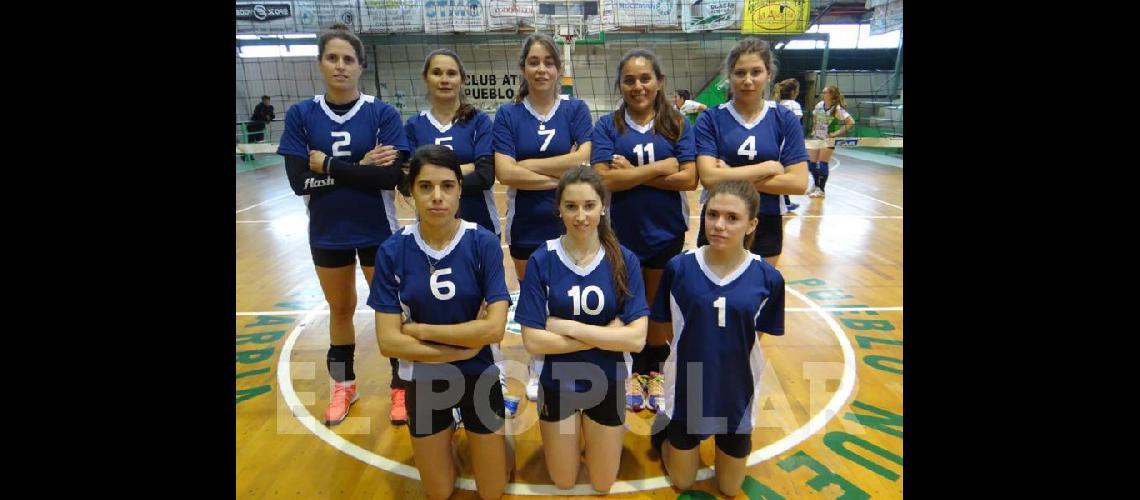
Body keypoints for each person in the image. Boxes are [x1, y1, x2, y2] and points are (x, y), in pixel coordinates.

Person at [276, 23, 411, 426]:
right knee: (341, 309)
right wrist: (359, 167)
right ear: (320, 63)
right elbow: (300, 180)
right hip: (328, 231)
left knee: (390, 309)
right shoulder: (302, 114)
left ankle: (401, 387)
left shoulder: (381, 113)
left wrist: (330, 166)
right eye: (332, 58)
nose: (340, 66)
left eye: (348, 59)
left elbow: (388, 178)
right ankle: (344, 386)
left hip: (376, 228)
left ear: (360, 66)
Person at [370, 145, 513, 500]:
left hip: (479, 373)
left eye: (447, 186)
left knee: (493, 491)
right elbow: (389, 342)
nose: (437, 197)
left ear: (460, 189)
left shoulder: (482, 242)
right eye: (426, 187)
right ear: (411, 191)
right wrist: (464, 346)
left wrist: (419, 330)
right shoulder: (392, 250)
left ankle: (495, 438)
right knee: (438, 491)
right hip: (426, 379)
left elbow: (494, 330)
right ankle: (449, 432)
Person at [649, 180, 786, 497]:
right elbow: (667, 328)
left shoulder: (768, 278)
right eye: (713, 215)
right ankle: (664, 428)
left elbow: (756, 337)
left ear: (752, 224)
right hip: (689, 384)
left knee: (729, 487)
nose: (719, 225)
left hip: (737, 387)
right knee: (683, 482)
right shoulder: (679, 268)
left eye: (732, 218)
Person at [516, 166, 649, 492]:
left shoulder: (623, 259)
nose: (580, 216)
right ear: (558, 209)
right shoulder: (542, 259)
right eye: (571, 206)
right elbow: (533, 341)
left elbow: (637, 339)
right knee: (563, 480)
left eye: (589, 206)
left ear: (603, 206)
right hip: (557, 384)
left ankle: (588, 437)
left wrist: (568, 327)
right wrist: (607, 335)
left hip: (609, 381)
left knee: (603, 484)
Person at [402, 48, 515, 423]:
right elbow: (405, 179)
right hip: (430, 233)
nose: (445, 79)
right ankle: (437, 383)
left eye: (452, 72)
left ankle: (492, 379)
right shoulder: (414, 125)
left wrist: (437, 175)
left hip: (478, 226)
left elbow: (486, 175)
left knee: (484, 309)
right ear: (426, 78)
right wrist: (460, 170)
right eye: (437, 72)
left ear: (462, 80)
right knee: (440, 304)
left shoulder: (479, 121)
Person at [589, 48, 697, 413]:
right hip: (620, 233)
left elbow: (690, 178)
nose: (638, 86)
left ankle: (653, 370)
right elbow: (603, 180)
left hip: (666, 232)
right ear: (620, 85)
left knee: (658, 307)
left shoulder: (677, 123)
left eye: (645, 78)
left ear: (659, 82)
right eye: (629, 80)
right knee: (627, 305)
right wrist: (659, 167)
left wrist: (630, 172)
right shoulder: (607, 125)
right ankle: (632, 369)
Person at [494, 34, 594, 402]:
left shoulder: (576, 110)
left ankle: (575, 358)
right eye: (533, 62)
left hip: (574, 221)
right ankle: (539, 364)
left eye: (548, 62)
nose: (541, 69)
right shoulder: (508, 114)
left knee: (571, 295)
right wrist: (563, 173)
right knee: (533, 299)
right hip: (527, 222)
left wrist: (529, 165)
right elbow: (505, 173)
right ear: (523, 69)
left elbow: (584, 156)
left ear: (559, 68)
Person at [694, 37, 809, 267]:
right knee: (710, 293)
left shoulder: (784, 118)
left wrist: (730, 175)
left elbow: (798, 183)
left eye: (756, 72)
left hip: (766, 217)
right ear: (729, 76)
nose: (748, 80)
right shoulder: (711, 119)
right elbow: (708, 178)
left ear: (768, 73)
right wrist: (765, 168)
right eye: (740, 73)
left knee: (759, 294)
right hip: (719, 219)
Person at [807, 85, 855, 198]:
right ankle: (816, 184)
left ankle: (821, 190)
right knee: (811, 164)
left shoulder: (837, 109)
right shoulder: (819, 105)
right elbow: (815, 118)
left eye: (825, 92)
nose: (823, 94)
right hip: (817, 137)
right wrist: (814, 129)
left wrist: (835, 133)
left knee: (823, 163)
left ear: (832, 95)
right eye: (823, 92)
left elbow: (850, 122)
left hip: (828, 140)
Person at [773, 79, 803, 212]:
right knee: (787, 174)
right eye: (797, 91)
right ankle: (785, 202)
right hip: (787, 145)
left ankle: (786, 201)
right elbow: (794, 125)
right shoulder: (794, 105)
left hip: (775, 142)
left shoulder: (775, 104)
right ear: (793, 92)